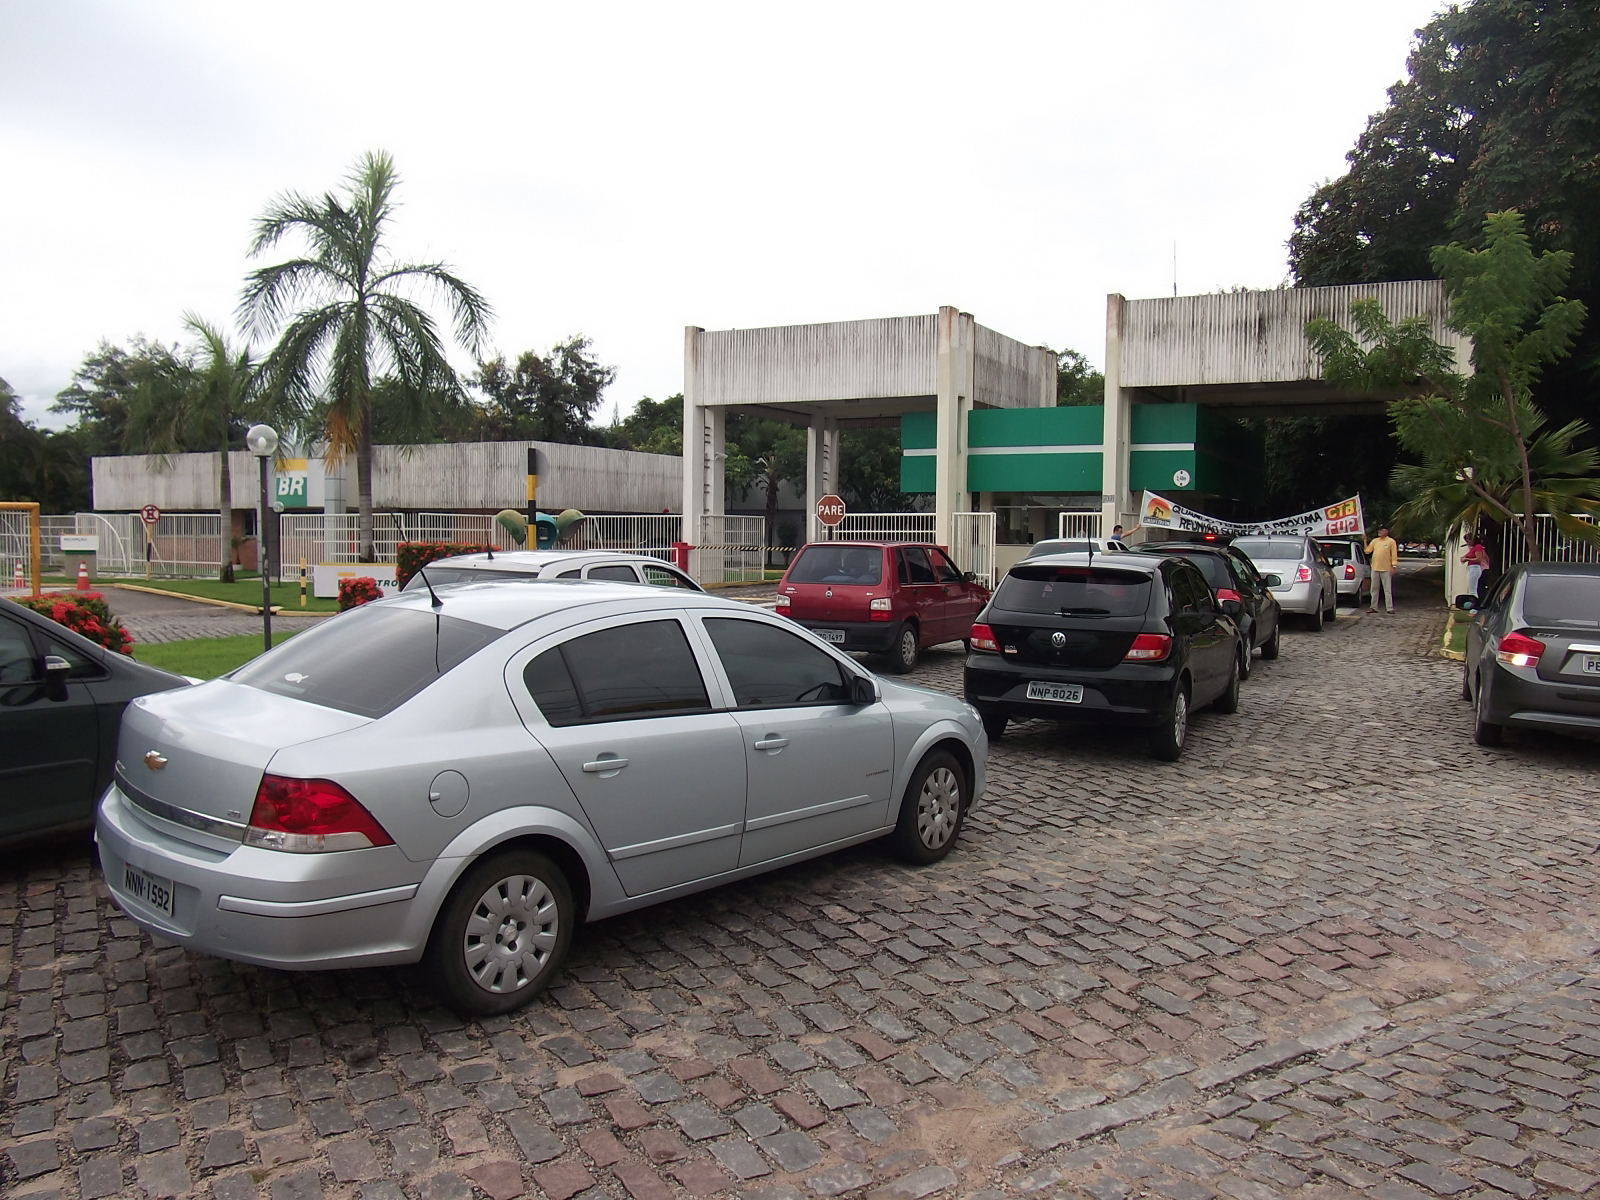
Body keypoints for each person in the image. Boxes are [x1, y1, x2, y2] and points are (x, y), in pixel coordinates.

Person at [1365, 525, 1399, 613]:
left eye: (1381, 530)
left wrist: (1394, 566)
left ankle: (1389, 608)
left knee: (1387, 589)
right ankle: (1373, 607)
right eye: (1379, 530)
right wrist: (1365, 540)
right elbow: (1367, 551)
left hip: (1386, 568)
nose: (1379, 532)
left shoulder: (1391, 541)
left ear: (1386, 531)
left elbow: (1394, 554)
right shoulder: (1375, 541)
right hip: (1375, 567)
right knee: (1374, 589)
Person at [1462, 535, 1490, 599]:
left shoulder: (1478, 547)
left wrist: (1467, 559)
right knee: (1472, 588)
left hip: (1476, 568)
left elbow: (1478, 559)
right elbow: (1467, 555)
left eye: (1468, 541)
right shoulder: (1473, 548)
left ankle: (1475, 602)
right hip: (1472, 568)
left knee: (1473, 589)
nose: (1468, 543)